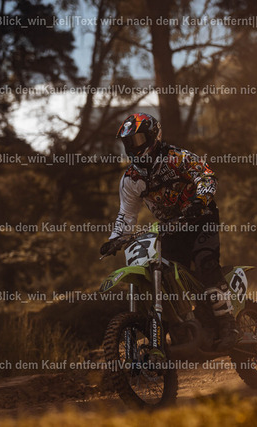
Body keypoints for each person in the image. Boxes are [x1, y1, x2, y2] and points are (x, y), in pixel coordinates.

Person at [99, 112, 238, 351]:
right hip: (171, 227)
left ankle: (228, 325)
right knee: (167, 274)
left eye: (138, 140)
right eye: (129, 142)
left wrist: (200, 200)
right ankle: (183, 325)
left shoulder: (177, 157)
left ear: (153, 136)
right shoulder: (131, 178)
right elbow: (127, 214)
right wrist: (115, 239)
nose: (134, 147)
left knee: (205, 262)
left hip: (200, 218)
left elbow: (206, 174)